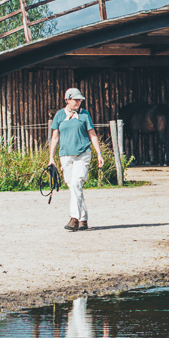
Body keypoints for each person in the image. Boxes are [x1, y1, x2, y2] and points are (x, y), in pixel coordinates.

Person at [48, 86, 105, 230]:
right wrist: (51, 158)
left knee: (76, 184)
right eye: (76, 99)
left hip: (82, 154)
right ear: (67, 100)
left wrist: (99, 153)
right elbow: (55, 138)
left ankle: (73, 218)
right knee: (73, 186)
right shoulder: (59, 116)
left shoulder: (85, 115)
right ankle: (83, 219)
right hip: (65, 155)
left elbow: (92, 134)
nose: (79, 102)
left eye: (80, 100)